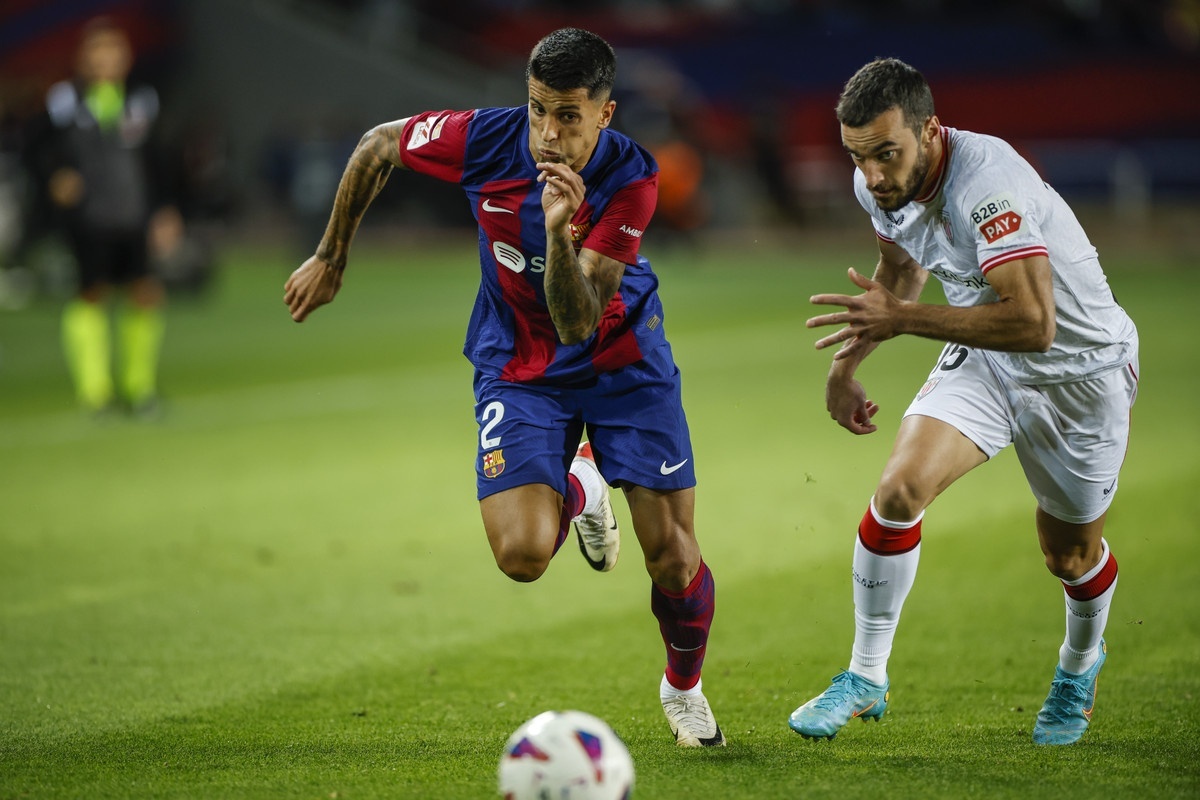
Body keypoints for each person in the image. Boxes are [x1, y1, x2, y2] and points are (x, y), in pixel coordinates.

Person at [284, 28, 724, 748]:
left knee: (673, 555)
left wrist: (557, 233)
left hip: (621, 363)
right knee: (521, 556)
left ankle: (684, 689)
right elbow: (378, 144)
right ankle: (580, 488)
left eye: (569, 117)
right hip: (518, 364)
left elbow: (579, 322)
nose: (548, 134)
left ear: (605, 115)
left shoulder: (633, 179)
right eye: (537, 110)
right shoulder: (484, 140)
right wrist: (331, 255)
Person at [789, 58, 1138, 746]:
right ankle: (865, 676)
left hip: (1079, 374)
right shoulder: (880, 183)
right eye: (858, 159)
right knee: (897, 492)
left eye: (887, 154)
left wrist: (903, 322)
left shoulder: (989, 184)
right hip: (988, 359)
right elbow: (900, 274)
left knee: (1068, 556)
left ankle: (1078, 662)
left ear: (931, 131)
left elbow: (1034, 324)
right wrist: (847, 365)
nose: (874, 177)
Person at [36, 18, 181, 415]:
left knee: (145, 294)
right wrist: (55, 177)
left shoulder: (140, 100)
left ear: (127, 55)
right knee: (91, 294)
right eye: (97, 50)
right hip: (89, 217)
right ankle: (96, 393)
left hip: (133, 215)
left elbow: (157, 161)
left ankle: (140, 389)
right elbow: (42, 151)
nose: (106, 58)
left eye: (113, 49)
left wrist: (165, 209)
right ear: (83, 57)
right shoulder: (64, 100)